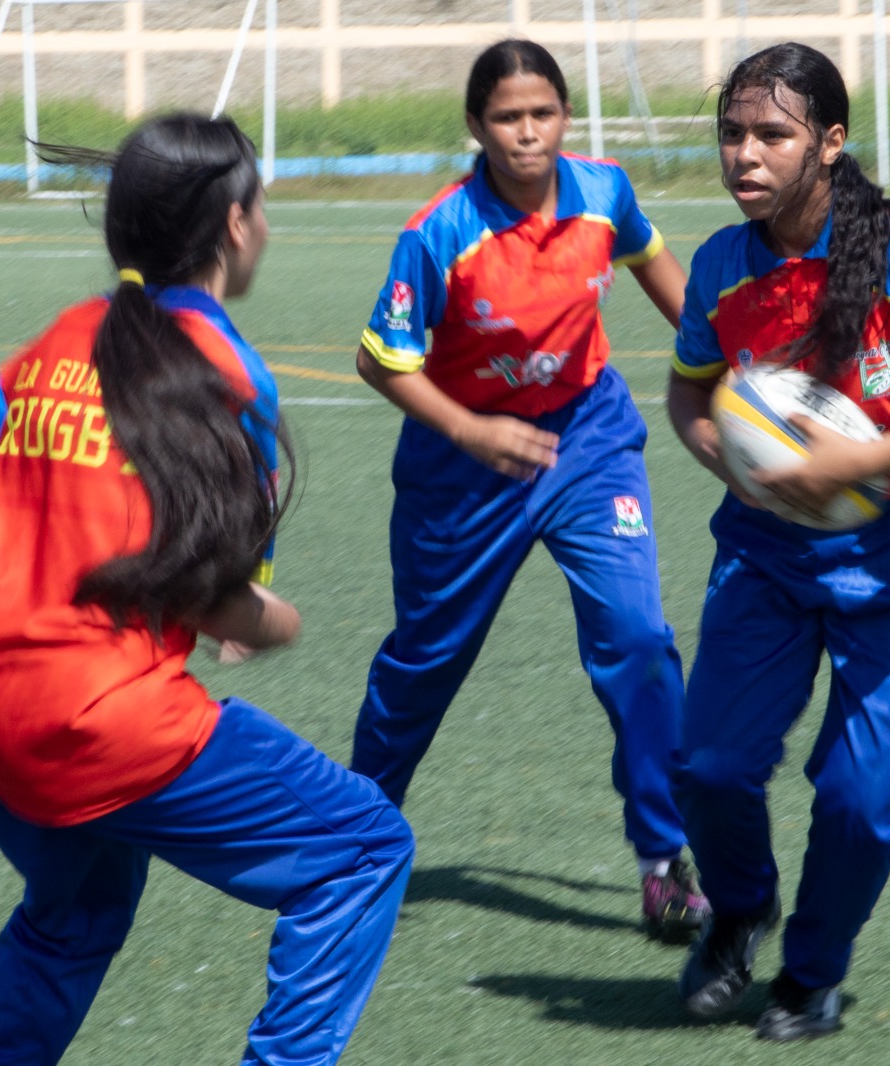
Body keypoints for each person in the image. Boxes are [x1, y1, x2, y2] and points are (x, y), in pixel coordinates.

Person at [0, 114, 413, 1066]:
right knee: (362, 848)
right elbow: (217, 607)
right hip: (98, 717)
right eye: (262, 206)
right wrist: (278, 622)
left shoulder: (44, 349)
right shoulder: (226, 374)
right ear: (235, 225)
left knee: (75, 914)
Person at [666, 43, 890, 1040]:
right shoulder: (724, 264)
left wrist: (846, 465)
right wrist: (731, 464)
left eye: (771, 134)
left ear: (830, 142)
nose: (745, 156)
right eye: (731, 134)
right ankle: (739, 907)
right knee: (711, 765)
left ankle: (811, 972)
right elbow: (690, 392)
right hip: (772, 546)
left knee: (857, 799)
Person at [349, 38, 708, 939]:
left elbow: (670, 282)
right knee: (426, 661)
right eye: (507, 118)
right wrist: (470, 429)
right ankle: (348, 839)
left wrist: (732, 361)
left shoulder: (603, 193)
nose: (526, 133)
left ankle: (664, 862)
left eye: (542, 114)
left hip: (588, 441)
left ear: (565, 118)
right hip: (463, 472)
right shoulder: (439, 232)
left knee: (637, 636)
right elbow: (380, 359)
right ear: (476, 126)